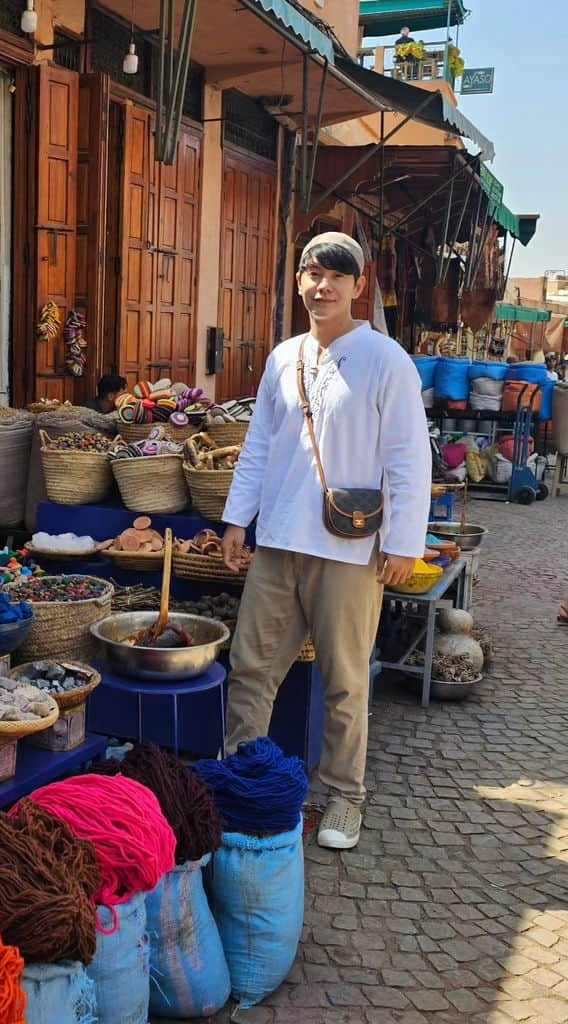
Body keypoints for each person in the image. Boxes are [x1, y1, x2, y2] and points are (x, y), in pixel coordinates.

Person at [221, 231, 430, 851]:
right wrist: (238, 518)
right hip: (281, 538)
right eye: (313, 274)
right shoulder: (283, 356)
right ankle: (242, 779)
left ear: (359, 286)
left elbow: (407, 456)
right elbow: (259, 442)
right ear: (298, 282)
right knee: (251, 669)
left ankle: (344, 797)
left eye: (338, 276)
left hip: (348, 547)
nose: (324, 286)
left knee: (345, 681)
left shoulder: (386, 359)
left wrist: (404, 542)